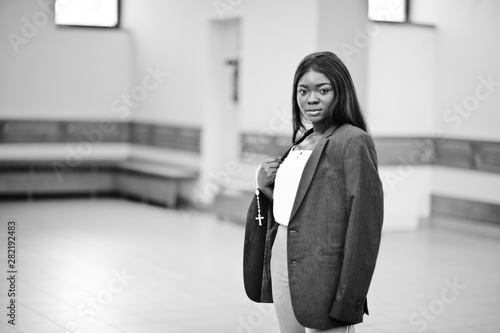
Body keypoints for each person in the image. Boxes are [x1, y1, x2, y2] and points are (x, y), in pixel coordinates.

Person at [243, 51, 384, 333]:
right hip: (282, 256)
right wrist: (263, 186)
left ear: (340, 92)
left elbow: (365, 225)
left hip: (324, 268)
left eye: (323, 90)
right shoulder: (302, 141)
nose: (311, 99)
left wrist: (350, 296)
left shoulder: (353, 140)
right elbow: (298, 206)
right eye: (303, 91)